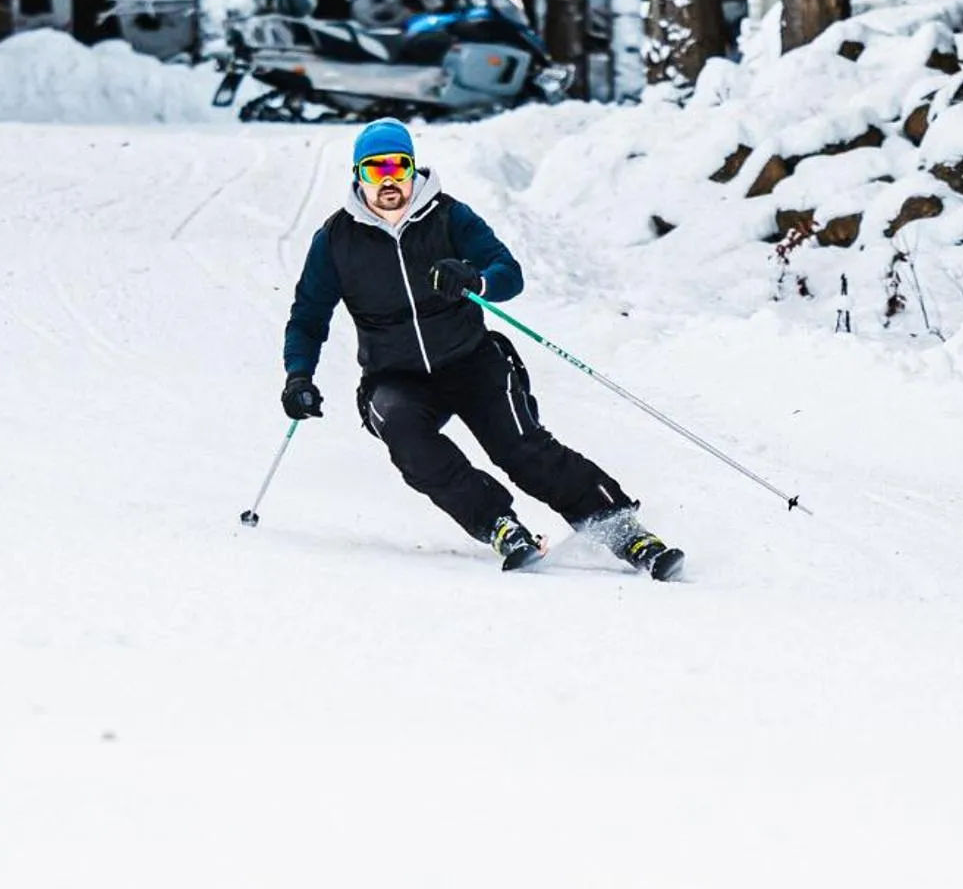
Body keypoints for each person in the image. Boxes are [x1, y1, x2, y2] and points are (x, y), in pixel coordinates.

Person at [280, 118, 683, 579]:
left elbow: (507, 272)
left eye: (399, 166)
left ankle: (621, 529)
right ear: (358, 177)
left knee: (522, 450)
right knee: (409, 440)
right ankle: (498, 524)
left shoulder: (450, 216)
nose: (389, 180)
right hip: (396, 377)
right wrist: (299, 376)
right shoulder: (336, 241)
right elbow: (308, 316)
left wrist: (475, 278)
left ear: (414, 169)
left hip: (471, 361)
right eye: (375, 170)